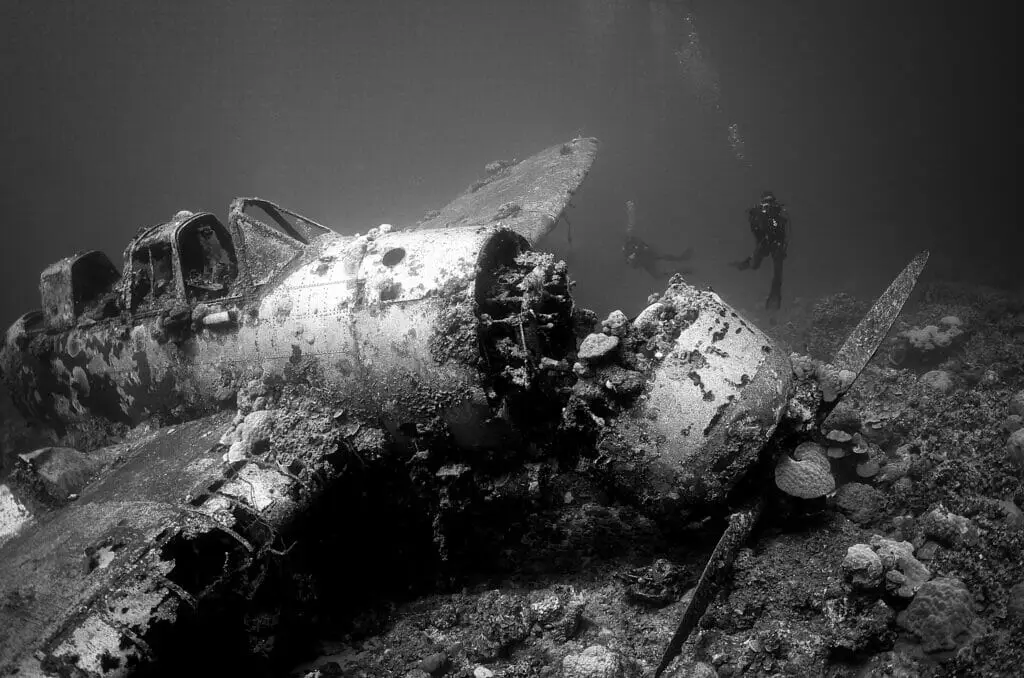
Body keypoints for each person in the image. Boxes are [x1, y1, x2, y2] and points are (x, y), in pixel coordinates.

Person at [731, 190, 789, 310]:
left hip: (777, 244)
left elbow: (787, 232)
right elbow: (755, 231)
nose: (767, 205)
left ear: (774, 203)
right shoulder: (757, 213)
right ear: (761, 203)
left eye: (770, 202)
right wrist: (755, 217)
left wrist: (784, 247)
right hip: (764, 242)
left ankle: (775, 295)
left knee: (778, 271)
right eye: (765, 202)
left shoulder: (780, 213)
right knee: (755, 265)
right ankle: (745, 263)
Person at [622, 200, 694, 280]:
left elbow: (642, 245)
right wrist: (631, 259)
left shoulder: (633, 241)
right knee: (658, 275)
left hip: (649, 255)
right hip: (646, 262)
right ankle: (679, 271)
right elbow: (631, 264)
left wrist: (637, 252)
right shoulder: (625, 249)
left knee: (663, 258)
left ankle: (681, 260)